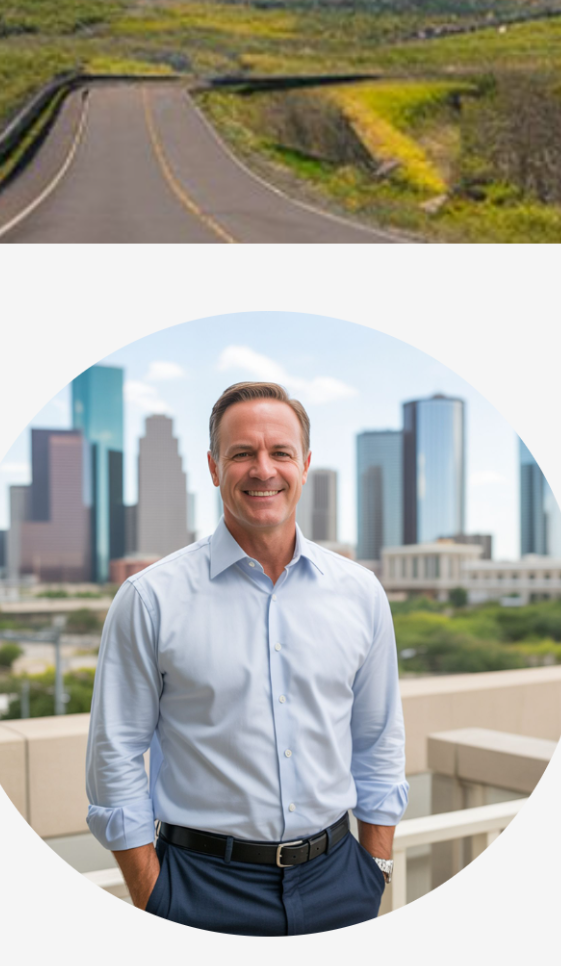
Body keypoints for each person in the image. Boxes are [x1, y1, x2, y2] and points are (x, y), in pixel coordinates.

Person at [85, 381, 406, 936]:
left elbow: (378, 740)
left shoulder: (361, 593)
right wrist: (151, 891)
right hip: (199, 888)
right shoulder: (150, 598)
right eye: (242, 454)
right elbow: (115, 755)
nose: (264, 469)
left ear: (304, 465)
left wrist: (374, 867)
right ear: (214, 468)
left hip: (338, 880)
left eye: (280, 452)